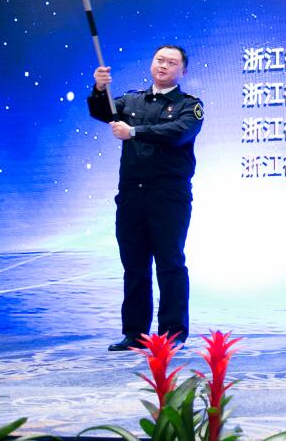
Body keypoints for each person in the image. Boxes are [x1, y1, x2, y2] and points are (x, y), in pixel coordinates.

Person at [89, 45, 204, 352]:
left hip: (168, 196)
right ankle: (135, 333)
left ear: (183, 71)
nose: (163, 66)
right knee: (134, 265)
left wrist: (135, 132)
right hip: (131, 195)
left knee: (170, 263)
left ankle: (172, 333)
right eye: (159, 60)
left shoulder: (189, 105)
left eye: (171, 62)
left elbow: (177, 132)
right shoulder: (131, 100)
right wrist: (99, 88)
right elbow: (102, 111)